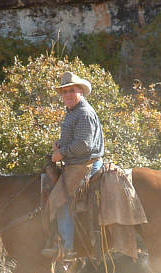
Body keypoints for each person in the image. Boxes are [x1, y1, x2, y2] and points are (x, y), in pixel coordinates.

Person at [42, 71, 104, 260]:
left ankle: (67, 248)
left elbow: (84, 145)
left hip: (85, 164)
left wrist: (62, 152)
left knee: (62, 200)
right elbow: (76, 139)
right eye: (64, 91)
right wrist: (60, 145)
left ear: (81, 92)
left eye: (72, 90)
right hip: (77, 162)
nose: (67, 94)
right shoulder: (73, 112)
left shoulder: (83, 113)